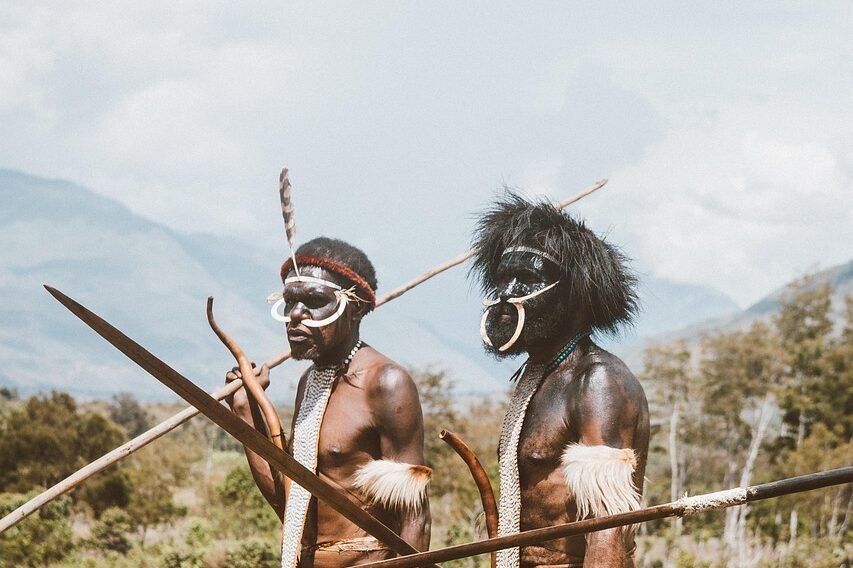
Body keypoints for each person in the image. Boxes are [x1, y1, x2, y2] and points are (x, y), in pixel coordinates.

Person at [226, 237, 431, 567]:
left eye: (314, 301)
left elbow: (414, 519)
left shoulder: (386, 382)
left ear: (355, 308)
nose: (295, 315)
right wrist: (245, 413)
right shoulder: (310, 382)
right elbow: (289, 503)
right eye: (290, 301)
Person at [470, 193, 649, 568]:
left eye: (527, 279)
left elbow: (607, 529)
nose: (507, 293)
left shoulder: (598, 382)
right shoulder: (540, 376)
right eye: (504, 278)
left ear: (572, 296)